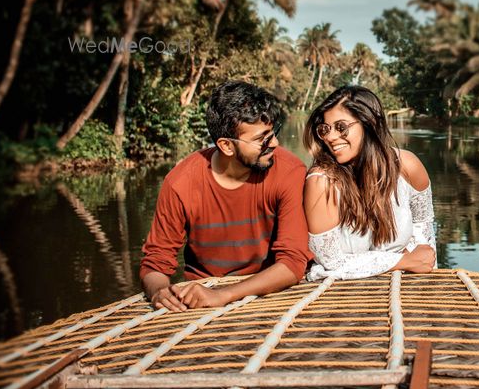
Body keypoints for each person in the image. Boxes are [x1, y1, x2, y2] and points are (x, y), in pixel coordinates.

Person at [139, 80, 311, 311]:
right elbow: (156, 260)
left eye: (273, 133)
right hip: (203, 291)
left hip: (267, 291)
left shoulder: (289, 171)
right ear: (226, 146)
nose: (275, 143)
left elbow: (292, 262)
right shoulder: (180, 183)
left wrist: (223, 295)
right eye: (262, 139)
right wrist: (159, 292)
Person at [303, 85, 436, 280]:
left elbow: (424, 234)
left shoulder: (408, 166)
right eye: (325, 129)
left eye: (341, 127)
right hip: (340, 296)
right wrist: (403, 261)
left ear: (369, 123)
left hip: (405, 285)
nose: (330, 137)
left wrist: (419, 263)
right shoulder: (322, 183)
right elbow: (331, 263)